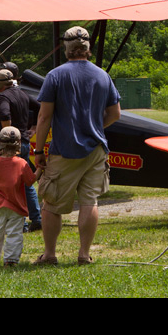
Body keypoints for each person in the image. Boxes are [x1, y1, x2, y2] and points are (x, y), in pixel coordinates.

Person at [33, 26, 122, 266]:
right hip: (96, 149)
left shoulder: (55, 75)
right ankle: (84, 254)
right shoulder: (103, 75)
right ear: (87, 48)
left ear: (67, 48)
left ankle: (50, 254)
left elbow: (44, 117)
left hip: (64, 150)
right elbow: (115, 113)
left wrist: (39, 151)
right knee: (89, 201)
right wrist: (96, 126)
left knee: (51, 203)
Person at [0, 68, 42, 232]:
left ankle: (21, 223)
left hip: (11, 145)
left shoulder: (3, 96)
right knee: (27, 184)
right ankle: (36, 219)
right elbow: (38, 106)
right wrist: (33, 127)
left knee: (12, 185)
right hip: (25, 142)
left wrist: (7, 135)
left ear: (0, 84)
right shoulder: (22, 94)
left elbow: (5, 114)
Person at [0, 126, 38, 267]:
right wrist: (40, 170)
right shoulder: (22, 163)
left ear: (0, 144)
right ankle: (10, 260)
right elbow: (30, 181)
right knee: (14, 233)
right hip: (16, 205)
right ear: (19, 144)